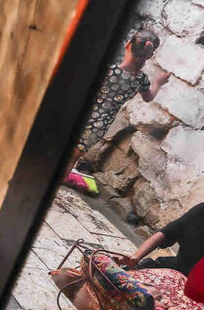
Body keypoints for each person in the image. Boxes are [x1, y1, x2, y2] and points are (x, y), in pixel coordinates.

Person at [66, 28, 170, 190]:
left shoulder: (108, 70)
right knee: (73, 157)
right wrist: (158, 83)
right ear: (149, 56)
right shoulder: (141, 79)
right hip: (99, 126)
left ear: (128, 45)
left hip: (81, 116)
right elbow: (148, 97)